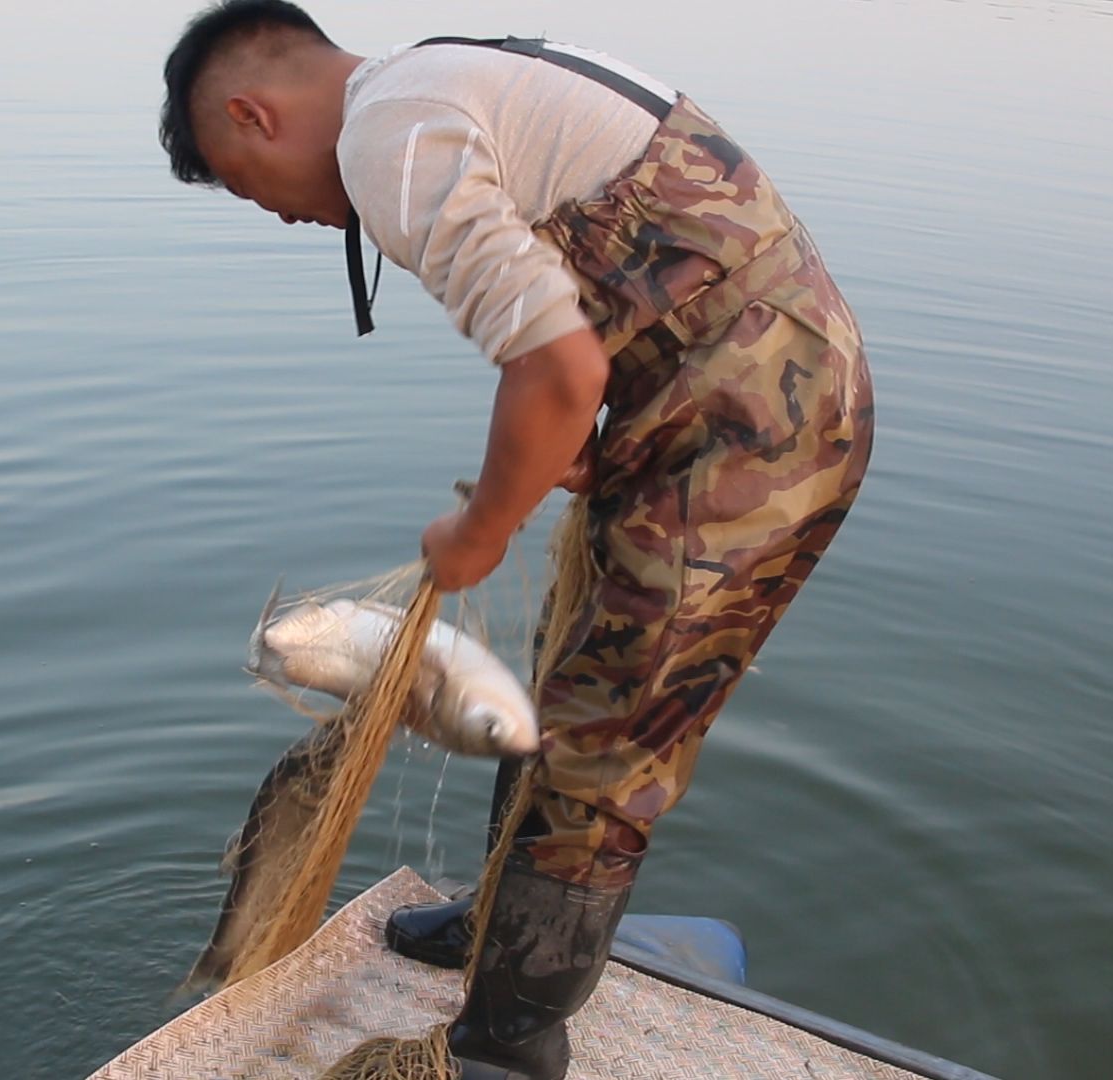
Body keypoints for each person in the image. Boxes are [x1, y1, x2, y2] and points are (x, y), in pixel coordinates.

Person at [159, 4, 874, 1077]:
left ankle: (507, 1049)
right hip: (703, 403)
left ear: (254, 114)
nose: (287, 220)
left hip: (753, 433)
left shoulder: (385, 134)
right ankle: (501, 925)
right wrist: (584, 442)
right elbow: (604, 302)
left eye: (255, 190)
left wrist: (478, 531)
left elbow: (555, 367)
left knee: (599, 745)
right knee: (567, 671)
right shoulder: (435, 82)